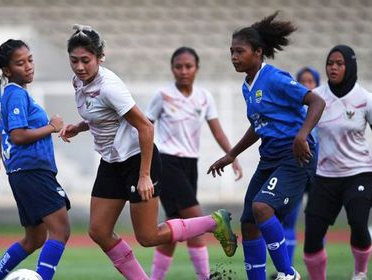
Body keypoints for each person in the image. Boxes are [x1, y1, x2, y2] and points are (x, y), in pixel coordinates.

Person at [59, 24, 237, 280]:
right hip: (112, 161)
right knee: (98, 230)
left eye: (85, 60)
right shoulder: (78, 81)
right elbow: (104, 115)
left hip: (137, 160)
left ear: (100, 57)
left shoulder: (110, 86)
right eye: (74, 60)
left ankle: (214, 222)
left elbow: (146, 127)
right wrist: (81, 126)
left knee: (148, 236)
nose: (79, 67)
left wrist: (144, 175)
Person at [207, 12, 325, 280]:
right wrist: (231, 154)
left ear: (258, 52)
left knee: (262, 208)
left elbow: (317, 102)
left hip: (294, 156)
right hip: (270, 157)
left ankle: (287, 274)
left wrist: (301, 135)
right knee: (248, 223)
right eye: (231, 52)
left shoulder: (274, 78)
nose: (234, 57)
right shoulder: (248, 86)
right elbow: (258, 126)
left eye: (240, 51)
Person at [0, 39, 70, 280]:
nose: (28, 66)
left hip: (23, 172)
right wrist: (51, 127)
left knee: (34, 238)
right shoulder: (15, 94)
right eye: (20, 63)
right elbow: (18, 136)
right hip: (32, 170)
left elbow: (8, 135)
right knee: (60, 230)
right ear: (7, 70)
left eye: (30, 60)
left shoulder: (17, 93)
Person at [145, 46, 243, 280]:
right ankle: (206, 274)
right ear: (172, 69)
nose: (183, 71)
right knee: (195, 219)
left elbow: (217, 131)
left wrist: (233, 156)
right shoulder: (162, 95)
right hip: (166, 162)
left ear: (196, 68)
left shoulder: (204, 97)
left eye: (188, 66)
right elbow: (145, 127)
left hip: (191, 165)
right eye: (178, 66)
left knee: (172, 226)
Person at [303, 45, 372, 280]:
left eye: (339, 63)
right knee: (311, 237)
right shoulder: (317, 97)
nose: (333, 67)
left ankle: (360, 272)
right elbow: (303, 130)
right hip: (325, 176)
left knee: (358, 223)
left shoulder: (364, 99)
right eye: (330, 63)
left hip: (359, 173)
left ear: (350, 66)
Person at [269, 66, 321, 280]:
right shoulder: (291, 109)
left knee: (317, 222)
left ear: (317, 84)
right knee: (289, 219)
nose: (307, 85)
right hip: (297, 166)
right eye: (303, 81)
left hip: (320, 169)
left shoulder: (322, 107)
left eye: (311, 81)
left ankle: (316, 270)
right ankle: (286, 270)